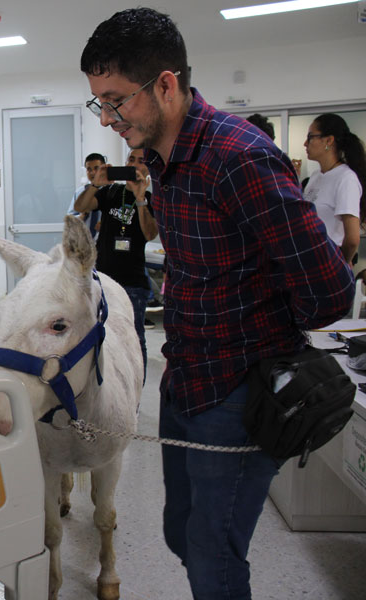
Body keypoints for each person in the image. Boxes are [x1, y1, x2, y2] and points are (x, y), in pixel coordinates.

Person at [81, 8, 355, 599]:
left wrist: (262, 326)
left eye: (115, 101)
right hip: (186, 381)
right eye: (96, 103)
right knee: (181, 534)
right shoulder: (159, 160)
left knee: (211, 554)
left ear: (165, 85)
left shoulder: (238, 157)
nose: (106, 119)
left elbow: (332, 289)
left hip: (237, 389)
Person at [74, 147, 158, 381]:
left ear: (149, 168)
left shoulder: (152, 198)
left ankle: (134, 387)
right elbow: (82, 207)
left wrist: (140, 199)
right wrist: (97, 184)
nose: (135, 164)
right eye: (131, 159)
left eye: (141, 161)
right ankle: (107, 383)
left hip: (133, 283)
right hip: (103, 280)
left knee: (134, 337)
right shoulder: (111, 192)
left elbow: (150, 233)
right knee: (102, 333)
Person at [303, 113, 366, 265]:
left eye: (311, 137)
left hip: (328, 263)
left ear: (329, 140)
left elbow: (352, 239)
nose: (305, 143)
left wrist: (339, 266)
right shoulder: (316, 176)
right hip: (309, 260)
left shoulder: (346, 178)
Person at [66, 152, 105, 238]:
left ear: (103, 168)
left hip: (104, 241)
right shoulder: (81, 192)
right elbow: (69, 219)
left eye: (96, 168)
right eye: (89, 169)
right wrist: (81, 216)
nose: (92, 173)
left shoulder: (112, 191)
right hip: (84, 242)